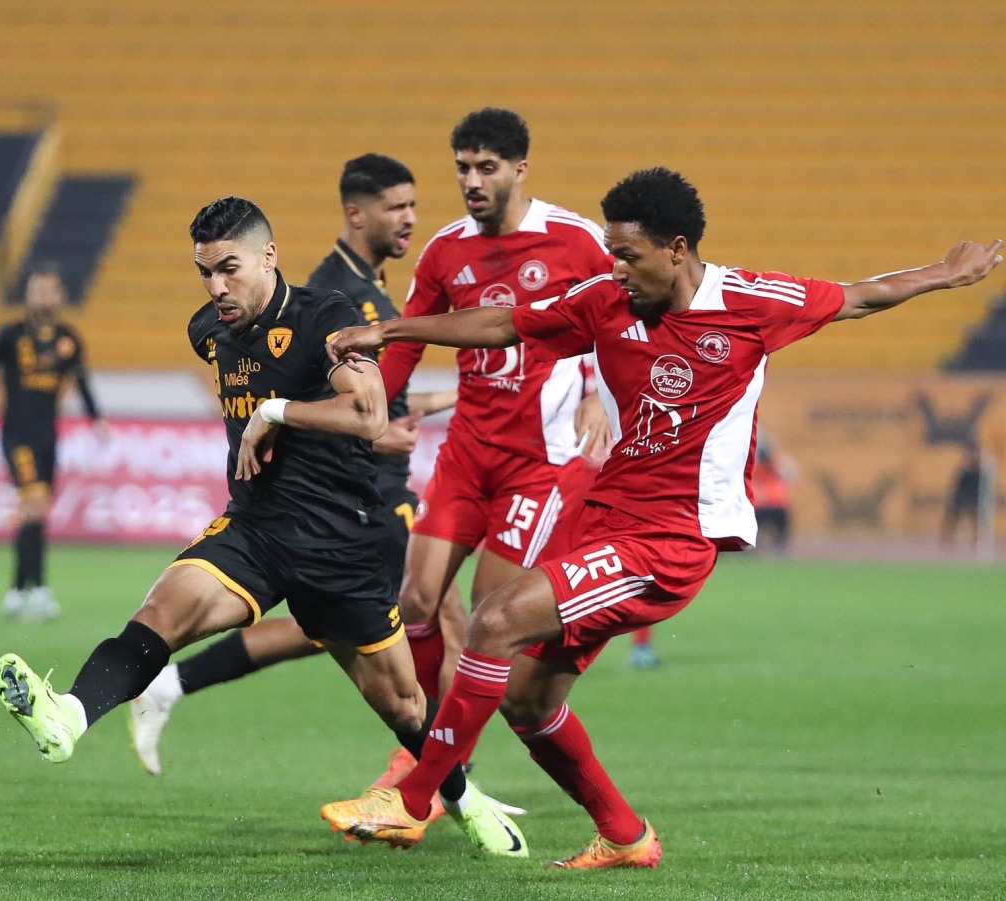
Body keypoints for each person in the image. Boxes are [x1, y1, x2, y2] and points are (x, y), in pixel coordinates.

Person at [319, 167, 1003, 868]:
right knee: (526, 699)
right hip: (607, 521)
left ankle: (411, 801)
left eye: (628, 254)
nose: (613, 268)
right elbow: (503, 323)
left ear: (677, 249)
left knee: (493, 620)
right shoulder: (605, 300)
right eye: (610, 252)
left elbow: (860, 296)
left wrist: (945, 276)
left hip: (673, 538)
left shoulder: (750, 301)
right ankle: (625, 834)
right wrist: (393, 331)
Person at [0, 196, 528, 858]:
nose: (217, 287)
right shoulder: (210, 329)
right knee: (162, 610)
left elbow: (366, 415)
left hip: (342, 546)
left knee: (405, 709)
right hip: (255, 531)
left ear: (270, 257)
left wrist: (275, 410)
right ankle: (67, 716)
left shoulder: (324, 318)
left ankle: (467, 801)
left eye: (229, 268)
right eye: (205, 273)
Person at [127, 156, 464, 803]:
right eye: (397, 207)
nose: (411, 219)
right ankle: (430, 779)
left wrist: (455, 394)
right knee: (433, 618)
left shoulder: (372, 287)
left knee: (361, 626)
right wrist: (364, 425)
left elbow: (384, 399)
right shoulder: (335, 294)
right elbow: (326, 399)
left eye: (413, 205)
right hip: (359, 491)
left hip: (378, 483)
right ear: (356, 213)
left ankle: (174, 684)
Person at [370, 109, 610, 784]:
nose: (471, 182)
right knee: (414, 601)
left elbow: (615, 324)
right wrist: (374, 416)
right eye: (462, 169)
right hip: (467, 455)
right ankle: (425, 742)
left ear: (520, 168)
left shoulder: (576, 241)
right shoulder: (446, 250)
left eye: (486, 168)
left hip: (538, 464)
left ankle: (438, 770)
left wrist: (601, 394)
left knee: (483, 619)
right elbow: (410, 340)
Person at [0, 262, 105, 620]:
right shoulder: (9, 335)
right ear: (28, 294)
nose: (43, 297)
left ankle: (16, 592)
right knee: (35, 508)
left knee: (35, 515)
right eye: (37, 290)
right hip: (17, 436)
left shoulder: (68, 340)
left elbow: (83, 381)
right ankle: (39, 591)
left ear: (60, 295)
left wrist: (96, 420)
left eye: (49, 290)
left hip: (48, 438)